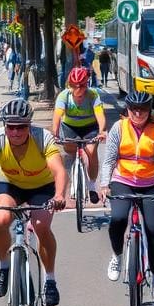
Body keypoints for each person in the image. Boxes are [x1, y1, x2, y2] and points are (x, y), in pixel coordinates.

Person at [0, 98, 67, 306]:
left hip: (42, 187)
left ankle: (50, 280)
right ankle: (4, 267)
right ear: (4, 126)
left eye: (21, 127)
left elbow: (59, 170)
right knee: (0, 219)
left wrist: (60, 195)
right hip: (10, 184)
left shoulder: (43, 138)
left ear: (30, 125)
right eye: (11, 127)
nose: (16, 132)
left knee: (41, 226)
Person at [99, 91, 154, 299]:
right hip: (123, 181)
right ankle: (117, 255)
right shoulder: (119, 128)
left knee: (152, 229)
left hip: (151, 184)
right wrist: (105, 184)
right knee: (118, 218)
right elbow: (109, 159)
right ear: (128, 110)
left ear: (149, 111)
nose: (138, 114)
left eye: (143, 110)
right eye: (134, 110)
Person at [52, 66, 108, 203]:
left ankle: (91, 185)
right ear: (70, 85)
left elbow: (100, 115)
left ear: (86, 84)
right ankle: (73, 171)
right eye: (75, 86)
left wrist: (102, 131)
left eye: (82, 86)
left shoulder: (93, 95)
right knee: (69, 150)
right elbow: (57, 116)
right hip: (70, 127)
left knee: (91, 151)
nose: (79, 90)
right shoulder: (64, 95)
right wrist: (55, 134)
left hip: (90, 127)